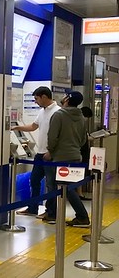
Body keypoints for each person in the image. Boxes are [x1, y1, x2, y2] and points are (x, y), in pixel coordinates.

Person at [43, 91, 90, 227]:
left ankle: (82, 217)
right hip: (75, 156)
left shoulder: (58, 115)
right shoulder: (80, 117)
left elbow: (52, 137)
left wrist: (50, 151)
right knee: (69, 187)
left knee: (65, 188)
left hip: (60, 157)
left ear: (67, 99)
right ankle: (58, 214)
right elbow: (82, 140)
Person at [12, 86, 59, 217]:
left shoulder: (57, 112)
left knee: (51, 184)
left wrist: (51, 152)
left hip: (50, 155)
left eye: (37, 99)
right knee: (34, 180)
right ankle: (33, 207)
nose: (35, 102)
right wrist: (16, 127)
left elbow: (59, 136)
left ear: (44, 97)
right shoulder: (42, 111)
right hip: (40, 153)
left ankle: (51, 212)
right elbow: (33, 127)